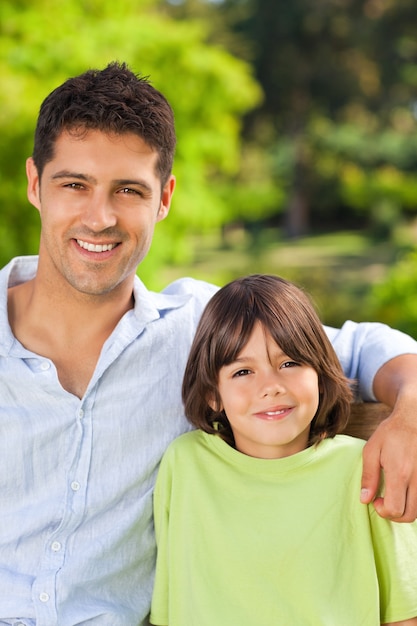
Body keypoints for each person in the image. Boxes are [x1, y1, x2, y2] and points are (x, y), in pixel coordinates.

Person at [1, 61, 417, 625]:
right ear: (34, 184)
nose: (99, 218)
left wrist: (411, 409)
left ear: (165, 197)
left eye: (129, 190)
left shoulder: (203, 331)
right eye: (74, 184)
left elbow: (361, 348)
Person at [150, 274, 417, 626]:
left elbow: (403, 612)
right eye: (243, 371)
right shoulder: (184, 464)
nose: (271, 387)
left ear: (321, 374)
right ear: (213, 393)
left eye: (289, 363)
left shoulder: (363, 470)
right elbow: (172, 603)